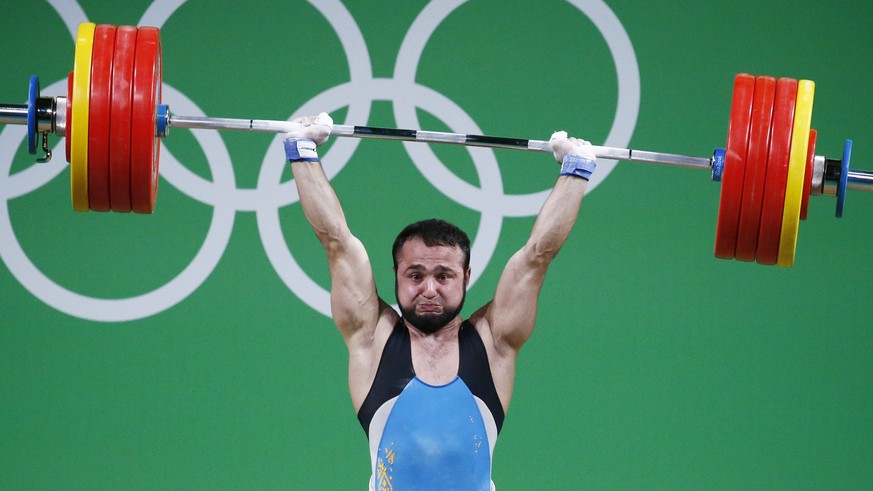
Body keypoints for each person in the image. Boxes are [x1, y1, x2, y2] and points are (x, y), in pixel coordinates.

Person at [285, 113, 596, 490]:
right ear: (396, 276)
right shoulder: (372, 336)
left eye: (443, 276)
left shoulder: (493, 342)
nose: (429, 289)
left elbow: (537, 257)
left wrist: (575, 171)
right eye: (416, 275)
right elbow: (336, 241)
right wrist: (302, 153)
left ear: (466, 278)